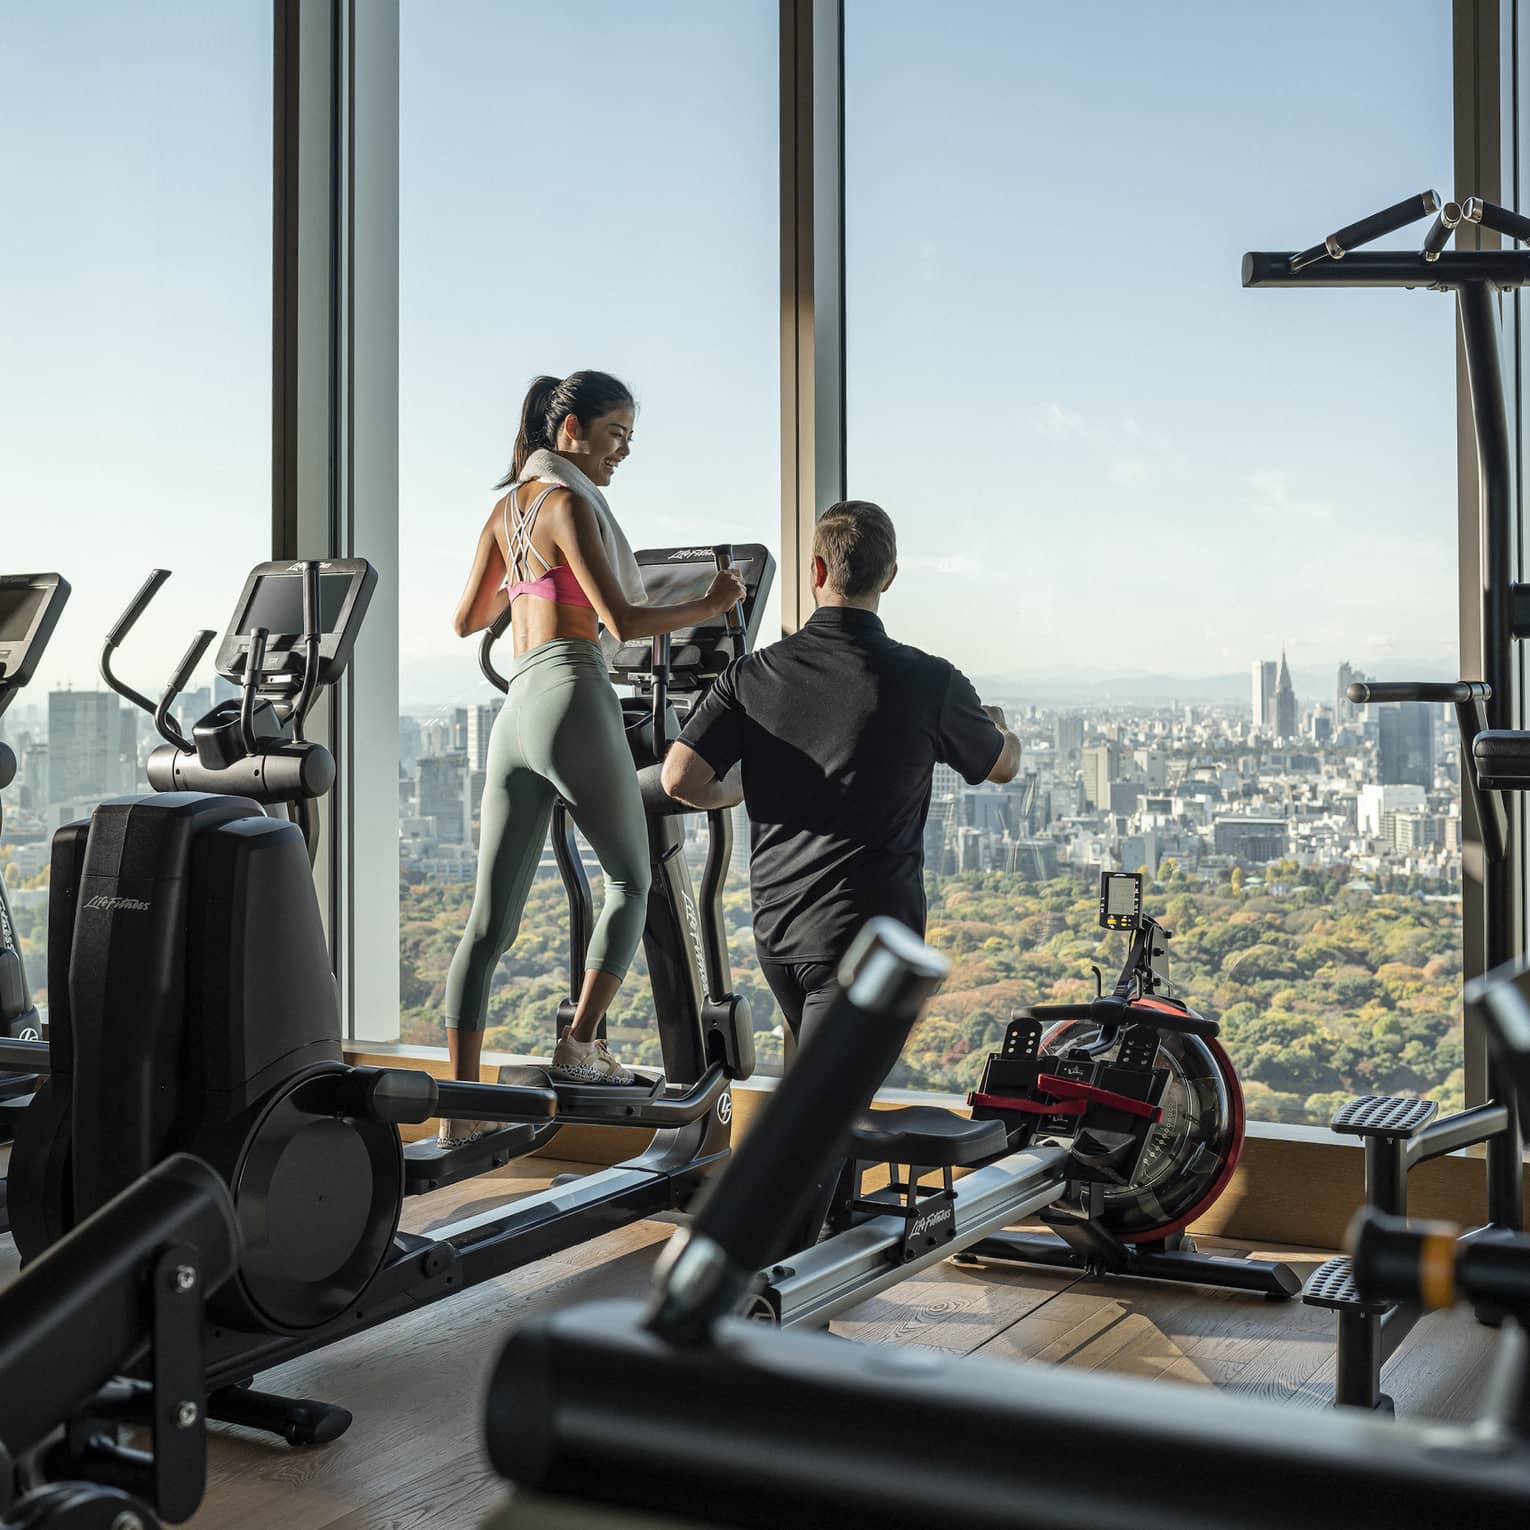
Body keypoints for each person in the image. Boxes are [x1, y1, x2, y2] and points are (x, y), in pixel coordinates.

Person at [661, 499, 1019, 1253]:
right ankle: (765, 1297)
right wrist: (1001, 723)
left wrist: (743, 789)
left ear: (816, 572)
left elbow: (680, 777)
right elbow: (998, 764)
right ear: (889, 577)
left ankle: (811, 1250)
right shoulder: (927, 679)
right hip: (867, 943)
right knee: (817, 1122)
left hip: (780, 935)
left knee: (820, 1097)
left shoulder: (753, 674)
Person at [443, 370, 746, 1144]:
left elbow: (468, 616)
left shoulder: (510, 504)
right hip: (574, 693)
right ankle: (580, 1046)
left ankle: (461, 1109)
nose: (622, 454)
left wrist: (531, 579)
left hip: (515, 709)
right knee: (632, 879)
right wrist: (712, 604)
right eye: (615, 436)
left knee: (487, 924)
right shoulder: (571, 502)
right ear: (570, 430)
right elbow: (623, 620)